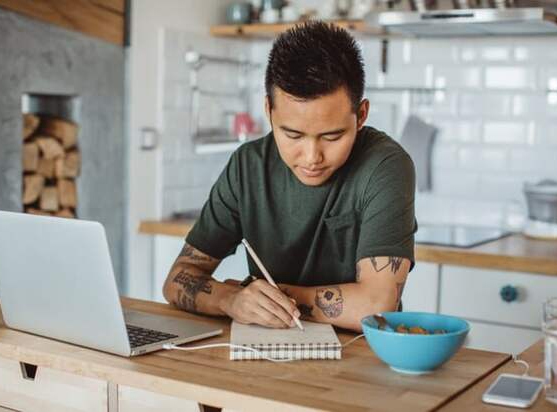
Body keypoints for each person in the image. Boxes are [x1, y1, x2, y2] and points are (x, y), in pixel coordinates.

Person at [163, 21, 417, 333]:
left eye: (332, 136)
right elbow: (177, 280)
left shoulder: (386, 165)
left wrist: (265, 297)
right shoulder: (247, 166)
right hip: (262, 352)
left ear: (361, 115)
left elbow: (377, 305)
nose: (312, 157)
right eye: (293, 135)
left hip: (359, 358)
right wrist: (231, 300)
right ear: (269, 111)